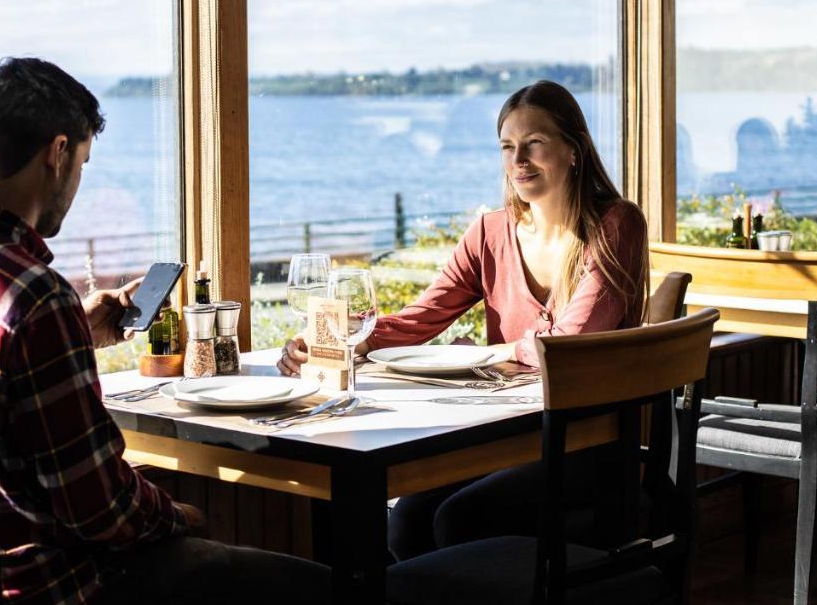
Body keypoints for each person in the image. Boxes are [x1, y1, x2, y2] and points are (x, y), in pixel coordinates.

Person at [0, 58, 329, 605]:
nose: (77, 184)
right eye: (81, 163)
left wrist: (75, 330)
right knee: (324, 598)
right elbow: (100, 510)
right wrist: (179, 516)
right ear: (56, 152)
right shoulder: (32, 296)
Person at [277, 80, 649, 560]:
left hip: (588, 443)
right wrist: (338, 337)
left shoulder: (616, 224)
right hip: (510, 434)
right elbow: (423, 317)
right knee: (406, 519)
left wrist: (488, 352)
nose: (519, 161)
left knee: (459, 518)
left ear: (573, 151)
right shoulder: (490, 231)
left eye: (534, 143)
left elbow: (570, 343)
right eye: (508, 147)